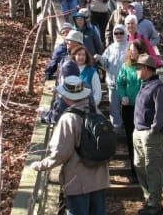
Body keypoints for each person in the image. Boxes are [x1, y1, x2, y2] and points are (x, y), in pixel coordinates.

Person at [30, 76, 110, 215]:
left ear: (67, 97)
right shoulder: (96, 112)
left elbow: (60, 152)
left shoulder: (69, 118)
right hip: (100, 178)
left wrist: (41, 165)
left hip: (78, 181)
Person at [133, 54, 163, 215]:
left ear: (147, 69)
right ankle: (149, 198)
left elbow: (162, 111)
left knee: (152, 168)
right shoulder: (144, 84)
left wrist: (153, 129)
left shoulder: (158, 87)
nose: (136, 71)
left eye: (138, 68)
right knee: (139, 165)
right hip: (138, 132)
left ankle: (154, 204)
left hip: (149, 134)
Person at [116, 39, 148, 183]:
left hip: (142, 109)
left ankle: (144, 170)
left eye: (135, 51)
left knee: (141, 139)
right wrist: (123, 96)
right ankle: (134, 171)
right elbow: (120, 83)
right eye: (131, 51)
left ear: (140, 52)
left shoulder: (146, 67)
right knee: (130, 138)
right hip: (128, 108)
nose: (133, 53)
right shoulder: (125, 66)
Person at [38, 60, 96, 125]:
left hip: (72, 129)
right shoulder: (86, 86)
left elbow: (55, 118)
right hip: (89, 125)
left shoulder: (64, 95)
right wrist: (58, 89)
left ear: (63, 76)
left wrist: (43, 113)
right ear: (78, 73)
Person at [94, 24, 127, 131]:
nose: (118, 35)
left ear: (125, 33)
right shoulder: (110, 48)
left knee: (128, 107)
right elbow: (105, 64)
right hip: (113, 83)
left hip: (127, 84)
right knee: (114, 108)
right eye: (116, 33)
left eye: (121, 33)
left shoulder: (130, 46)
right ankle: (116, 128)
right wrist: (100, 58)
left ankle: (128, 128)